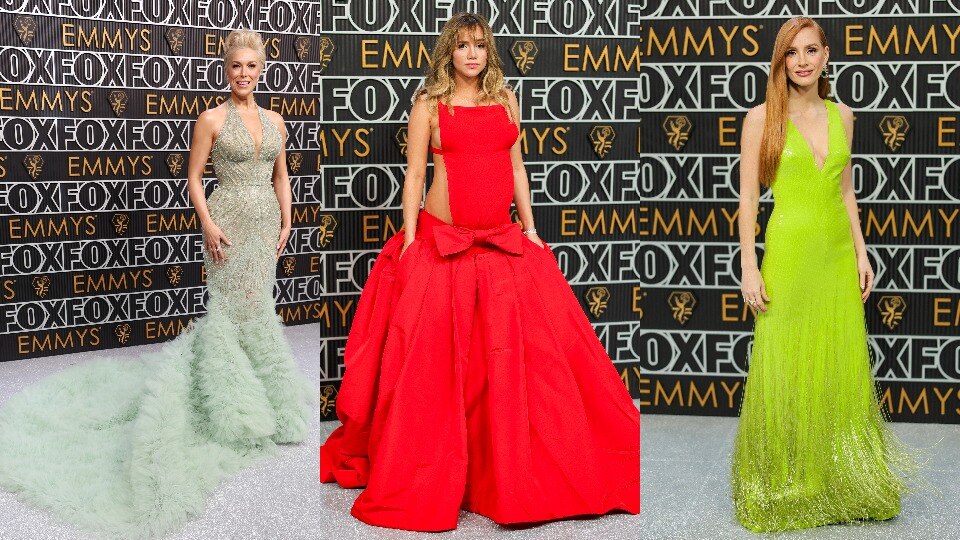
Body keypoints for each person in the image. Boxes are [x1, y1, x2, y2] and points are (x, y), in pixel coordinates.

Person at [319, 12, 640, 532]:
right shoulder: (429, 104)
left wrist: (531, 229)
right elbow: (417, 174)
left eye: (481, 46)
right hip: (442, 248)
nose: (472, 54)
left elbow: (517, 170)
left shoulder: (505, 101)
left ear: (490, 53)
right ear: (449, 51)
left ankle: (500, 472)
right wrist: (412, 237)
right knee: (435, 374)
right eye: (463, 45)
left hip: (500, 246)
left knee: (516, 368)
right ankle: (441, 475)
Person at [0, 29, 312, 538]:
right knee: (230, 311)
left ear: (262, 69)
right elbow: (192, 177)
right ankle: (229, 409)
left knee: (259, 309)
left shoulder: (276, 120)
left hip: (265, 228)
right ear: (225, 69)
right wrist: (209, 223)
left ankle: (270, 401)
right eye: (236, 66)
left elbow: (281, 175)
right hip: (229, 222)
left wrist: (287, 219)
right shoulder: (210, 119)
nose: (244, 74)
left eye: (252, 66)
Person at [731, 16, 915, 532]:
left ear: (827, 55)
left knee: (837, 363)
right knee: (786, 366)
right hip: (788, 254)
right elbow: (748, 198)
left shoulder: (845, 116)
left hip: (835, 256)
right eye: (793, 53)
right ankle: (788, 480)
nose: (803, 61)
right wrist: (749, 264)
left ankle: (841, 479)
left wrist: (861, 252)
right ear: (781, 61)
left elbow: (846, 192)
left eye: (812, 50)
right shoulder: (760, 118)